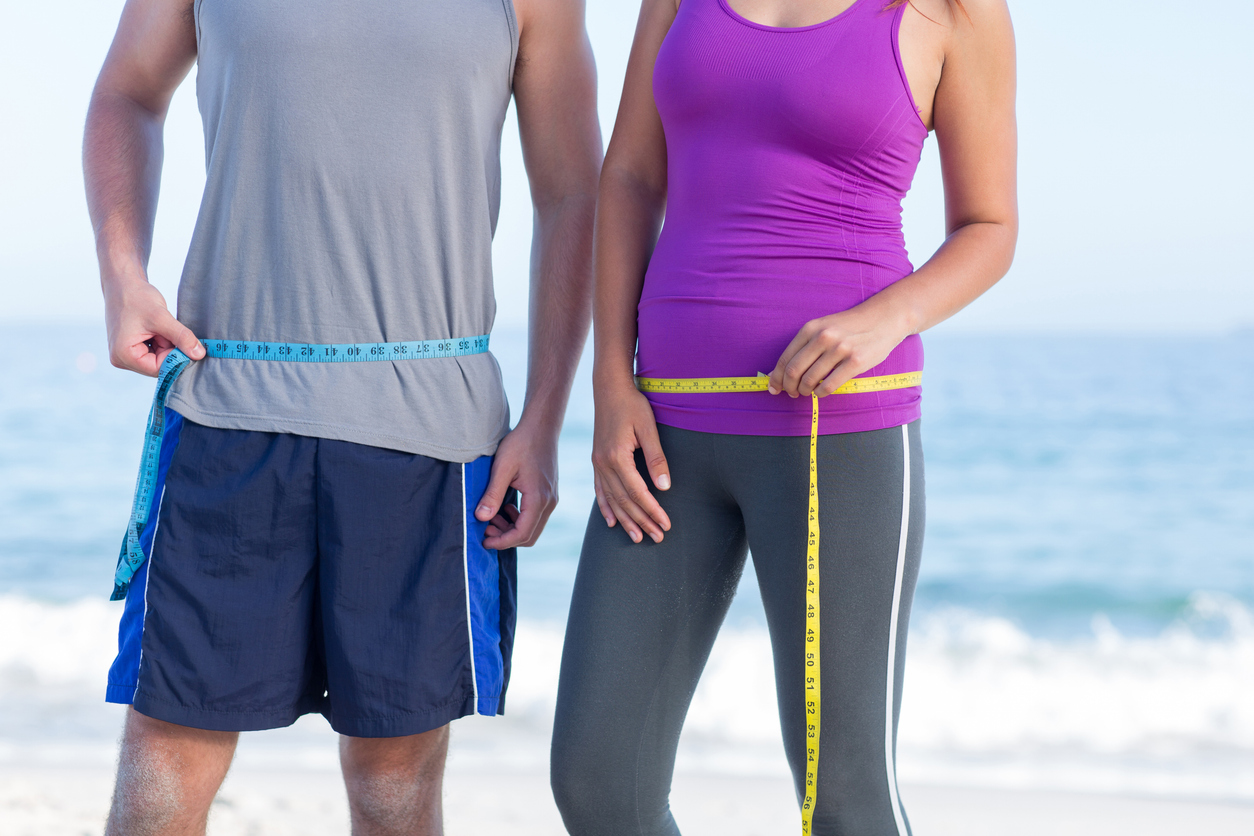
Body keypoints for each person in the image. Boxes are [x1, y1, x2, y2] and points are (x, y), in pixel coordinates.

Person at [83, 0, 601, 833]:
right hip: (226, 412)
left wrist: (545, 416)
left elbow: (574, 192)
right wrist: (122, 276)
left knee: (394, 793)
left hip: (431, 435)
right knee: (160, 780)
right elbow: (128, 91)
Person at [550, 0, 1016, 833]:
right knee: (598, 782)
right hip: (663, 433)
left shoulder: (952, 11)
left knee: (842, 798)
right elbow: (630, 178)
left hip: (840, 433)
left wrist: (886, 319)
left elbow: (991, 227)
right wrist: (611, 385)